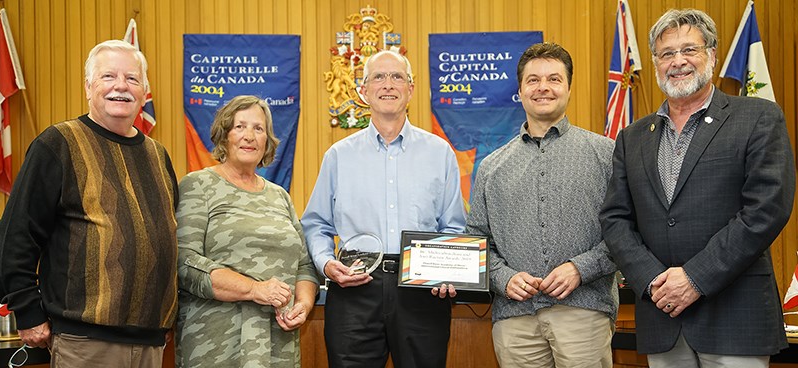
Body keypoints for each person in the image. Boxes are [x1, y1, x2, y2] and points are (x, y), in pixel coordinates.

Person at [600, 9, 795, 368]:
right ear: (656, 63)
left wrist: (694, 278)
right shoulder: (632, 137)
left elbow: (766, 209)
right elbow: (615, 219)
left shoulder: (758, 117)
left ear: (713, 55)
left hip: (735, 318)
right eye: (667, 53)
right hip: (662, 316)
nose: (678, 62)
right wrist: (655, 281)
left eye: (690, 49)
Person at [0, 40, 177, 366]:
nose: (121, 86)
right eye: (108, 76)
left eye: (132, 79)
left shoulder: (158, 156)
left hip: (152, 343)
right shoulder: (58, 144)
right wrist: (26, 309)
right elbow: (16, 234)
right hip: (85, 341)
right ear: (88, 87)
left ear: (144, 92)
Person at [301, 50, 467, 368]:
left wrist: (449, 271)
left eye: (397, 77)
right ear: (363, 91)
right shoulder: (338, 156)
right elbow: (316, 223)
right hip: (354, 287)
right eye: (378, 76)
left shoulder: (440, 153)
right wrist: (325, 264)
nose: (387, 84)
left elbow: (454, 226)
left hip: (422, 291)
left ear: (411, 89)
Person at [467, 42, 617, 367]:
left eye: (554, 79)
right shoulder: (492, 167)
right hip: (513, 319)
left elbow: (628, 232)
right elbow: (477, 240)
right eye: (533, 80)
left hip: (584, 311)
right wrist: (501, 277)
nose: (543, 88)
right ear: (519, 91)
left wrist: (581, 268)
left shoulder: (607, 154)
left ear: (568, 88)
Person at [175, 95, 319, 368]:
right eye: (240, 126)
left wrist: (304, 305)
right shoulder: (198, 185)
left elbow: (304, 266)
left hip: (278, 344)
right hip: (216, 344)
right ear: (224, 134)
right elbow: (185, 263)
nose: (249, 136)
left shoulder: (280, 196)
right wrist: (254, 289)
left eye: (258, 128)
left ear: (267, 141)